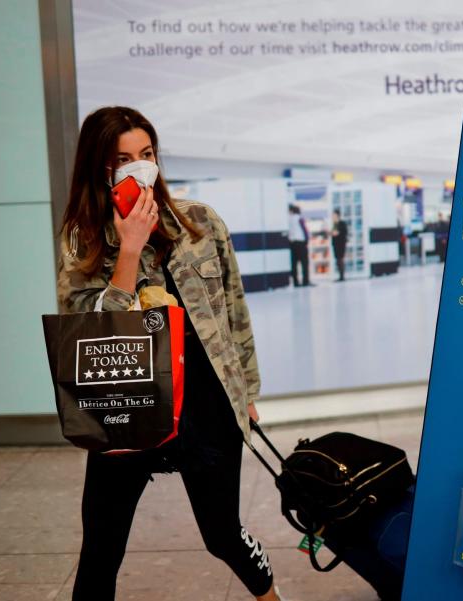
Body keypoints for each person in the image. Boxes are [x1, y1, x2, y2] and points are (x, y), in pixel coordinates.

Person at [56, 106, 284, 601]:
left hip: (208, 408)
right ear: (101, 168)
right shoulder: (85, 241)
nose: (140, 166)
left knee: (223, 534)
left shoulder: (200, 222)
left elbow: (235, 313)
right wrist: (129, 249)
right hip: (128, 412)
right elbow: (92, 335)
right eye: (123, 159)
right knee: (101, 546)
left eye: (147, 153)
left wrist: (245, 391)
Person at [287, 204, 311, 286]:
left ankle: (296, 282)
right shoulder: (299, 218)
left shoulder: (288, 219)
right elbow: (305, 230)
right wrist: (307, 240)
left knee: (294, 263)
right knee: (304, 263)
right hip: (301, 243)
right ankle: (305, 281)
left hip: (292, 243)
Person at [331, 209, 348, 281]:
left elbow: (337, 233)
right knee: (338, 260)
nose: (332, 216)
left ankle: (342, 276)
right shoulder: (335, 224)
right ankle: (340, 276)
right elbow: (333, 233)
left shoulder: (341, 223)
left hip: (341, 244)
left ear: (337, 215)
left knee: (340, 259)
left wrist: (332, 233)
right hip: (336, 244)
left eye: (333, 215)